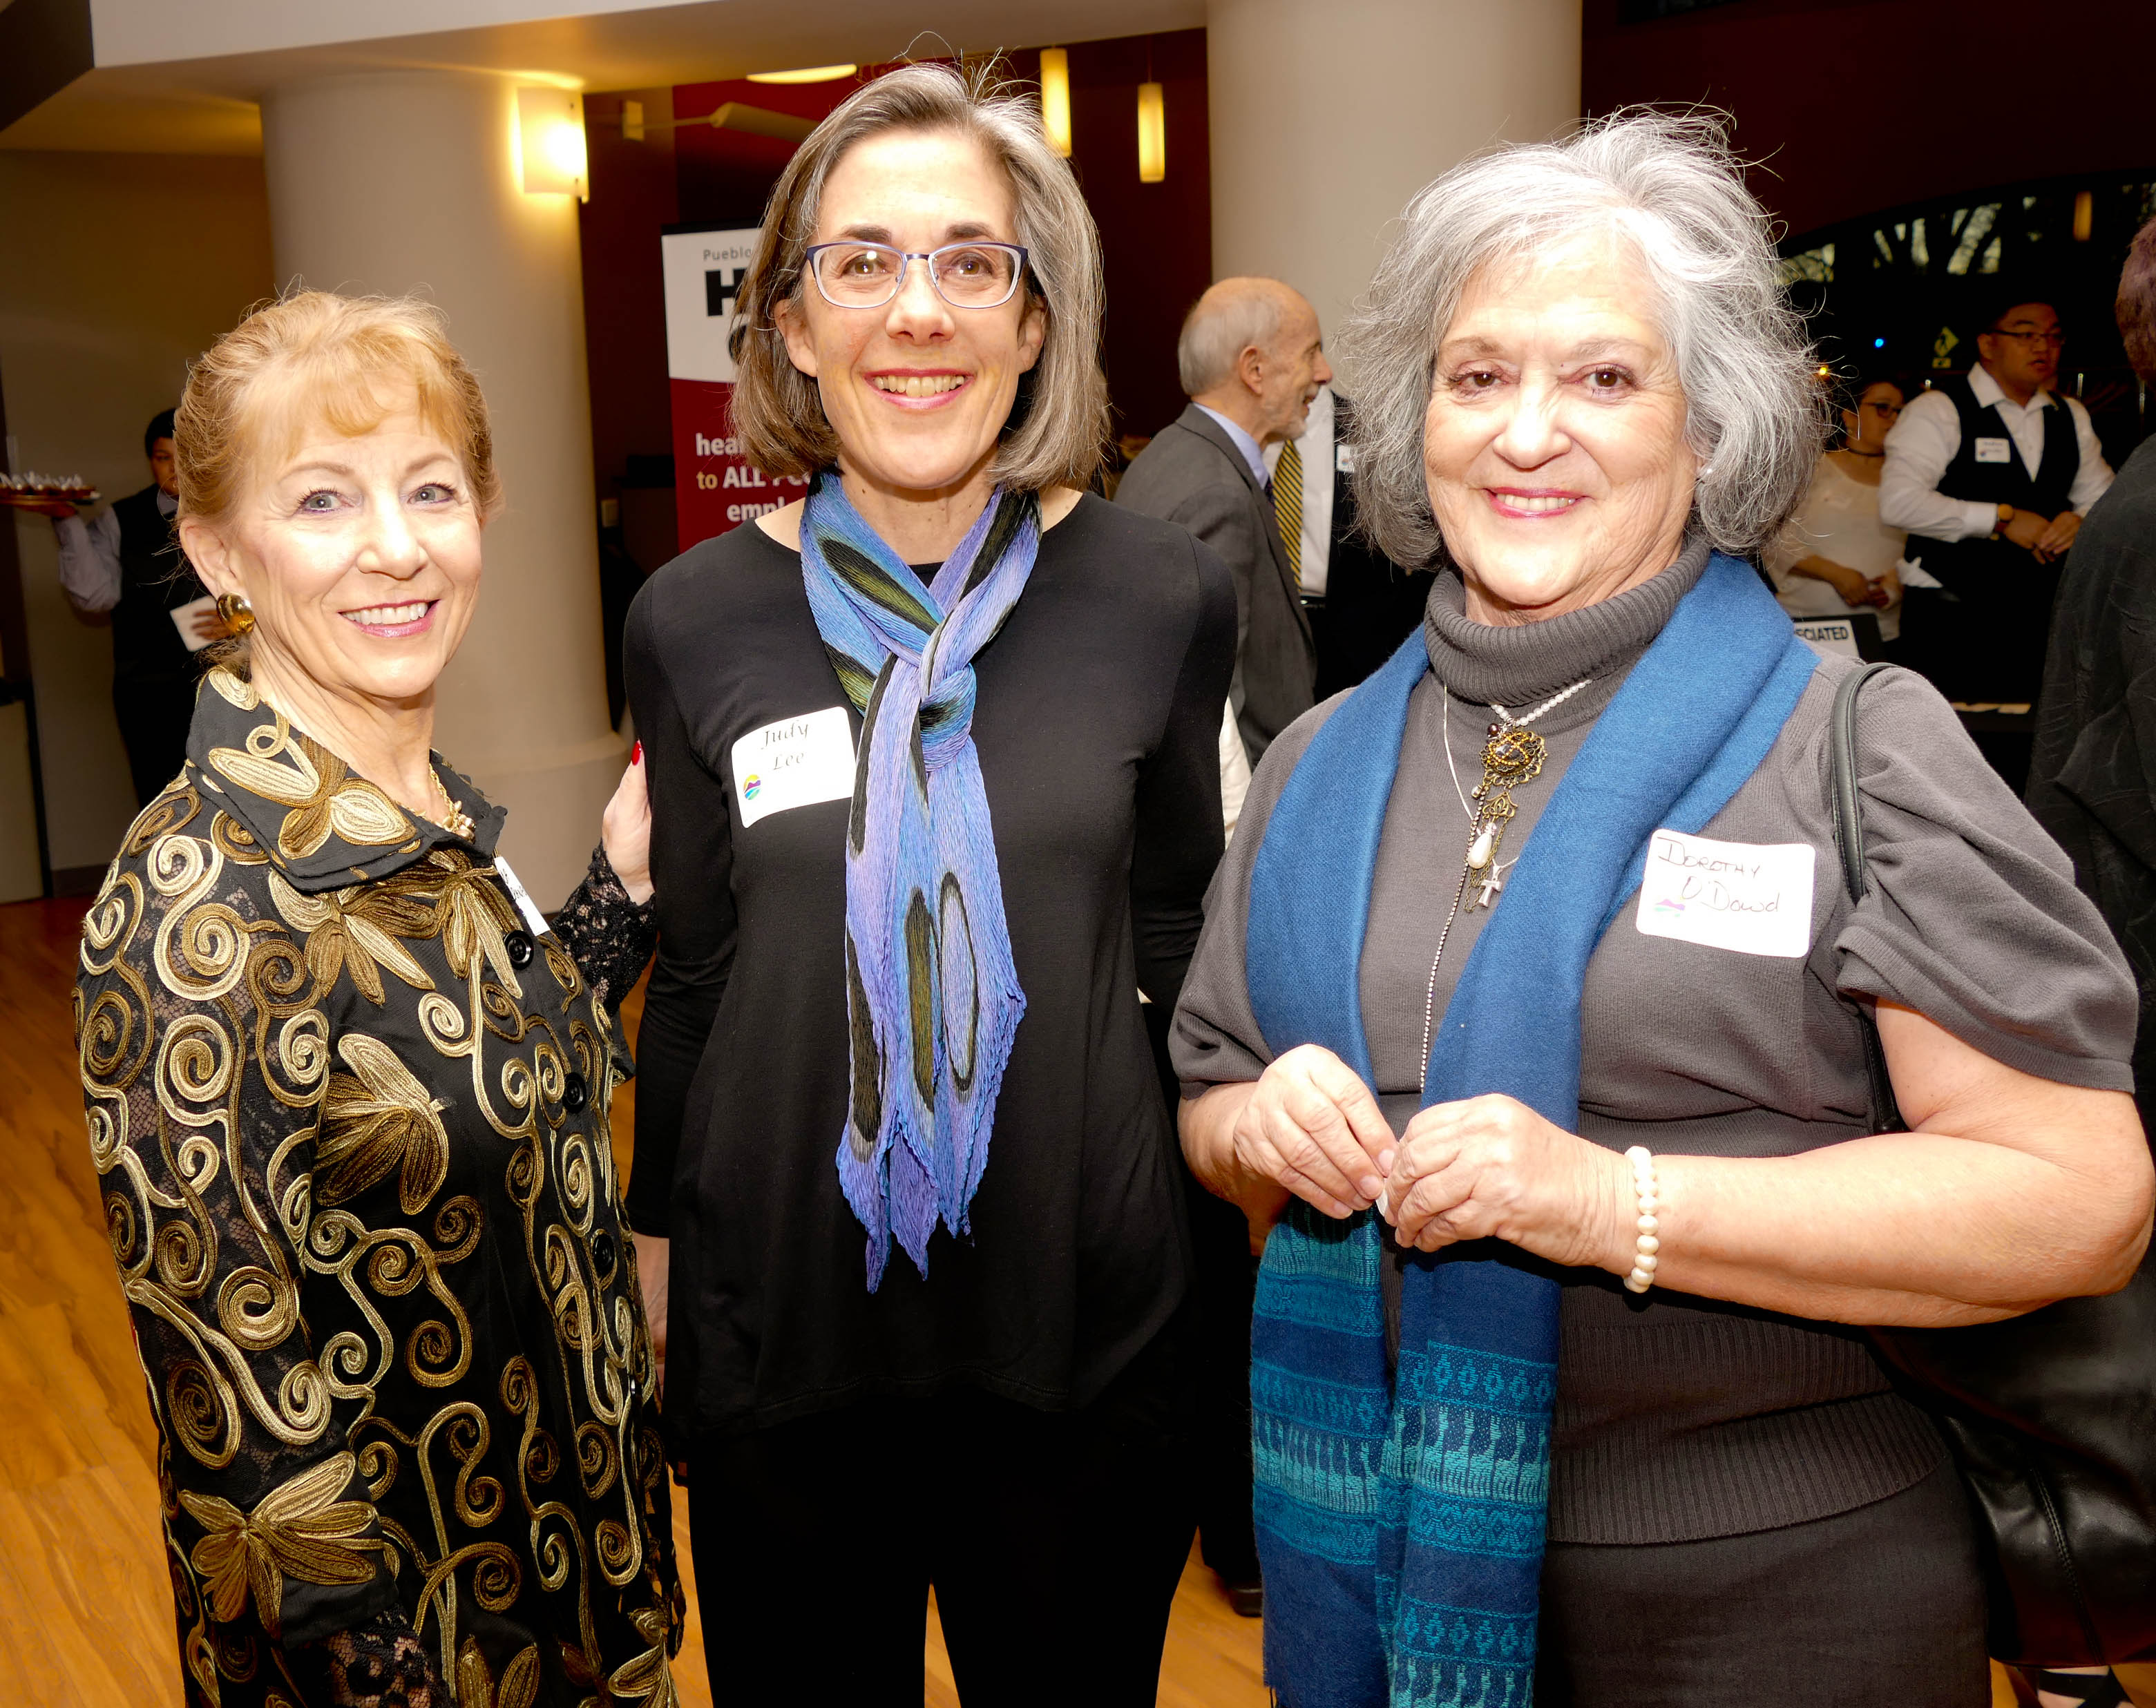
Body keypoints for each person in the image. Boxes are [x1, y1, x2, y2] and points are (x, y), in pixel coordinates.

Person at [1170, 113, 2151, 1708]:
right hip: (1383, 1567)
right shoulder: (1311, 764)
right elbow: (1210, 1095)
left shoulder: (1854, 748)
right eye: (1475, 376)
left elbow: (2072, 1193)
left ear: (1710, 430)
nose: (1524, 430)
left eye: (1602, 378)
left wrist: (1600, 1202)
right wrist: (1256, 1128)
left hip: (1785, 1596)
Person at [622, 65, 1234, 1705]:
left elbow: (1173, 927)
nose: (918, 311)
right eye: (861, 262)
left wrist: (1204, 1241)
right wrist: (653, 1262)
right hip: (783, 1337)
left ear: (1035, 322)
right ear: (791, 325)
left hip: (1079, 1336)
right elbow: (691, 975)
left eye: (972, 263)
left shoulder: (1160, 595)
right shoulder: (685, 619)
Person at [75, 293, 680, 1708]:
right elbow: (244, 1433)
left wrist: (613, 900)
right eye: (325, 500)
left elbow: (486, 1092)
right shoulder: (198, 902)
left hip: (576, 1590)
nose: (396, 546)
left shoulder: (416, 810)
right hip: (413, 1660)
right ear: (219, 548)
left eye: (430, 490)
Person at [1117, 276, 1326, 767]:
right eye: (1311, 353)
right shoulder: (1217, 497)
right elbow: (1210, 705)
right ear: (1254, 370)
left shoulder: (1170, 452)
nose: (1325, 372)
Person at [1880, 295, 2114, 703]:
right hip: (1951, 620)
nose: (2043, 347)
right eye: (2026, 335)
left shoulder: (2069, 414)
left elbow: (2106, 501)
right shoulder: (1939, 410)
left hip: (2040, 619)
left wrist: (2081, 522)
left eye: (2053, 337)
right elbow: (1899, 503)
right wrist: (2001, 518)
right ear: (1988, 345)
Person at [28, 407, 225, 804]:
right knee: (163, 802)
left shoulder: (231, 511)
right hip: (150, 694)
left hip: (231, 685)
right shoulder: (122, 519)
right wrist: (66, 522)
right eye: (161, 457)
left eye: (181, 456)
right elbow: (94, 598)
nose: (172, 469)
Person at [1268, 383, 1430, 695]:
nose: (1322, 369)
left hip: (1360, 640)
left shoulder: (1371, 428)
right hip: (1272, 631)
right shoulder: (1244, 433)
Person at [1765, 374, 1907, 641]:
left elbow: (1920, 550)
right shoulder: (1813, 469)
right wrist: (1838, 576)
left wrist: (1895, 585)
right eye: (1883, 408)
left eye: (1900, 411)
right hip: (1808, 624)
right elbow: (1774, 539)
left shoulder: (1911, 484)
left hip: (1879, 627)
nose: (1894, 419)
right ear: (1850, 416)